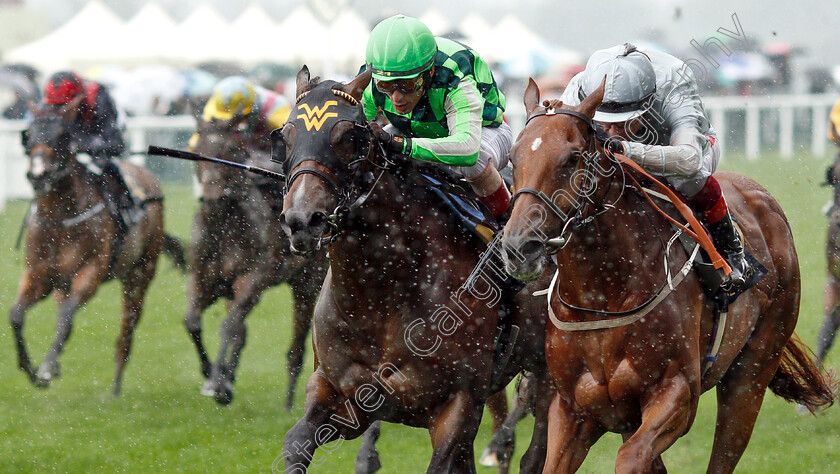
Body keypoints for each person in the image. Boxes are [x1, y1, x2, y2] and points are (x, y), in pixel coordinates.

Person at [560, 43, 748, 291]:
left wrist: (627, 150)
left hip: (681, 148)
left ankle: (730, 248)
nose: (615, 131)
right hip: (611, 155)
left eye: (625, 123)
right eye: (607, 123)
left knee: (687, 178)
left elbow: (690, 159)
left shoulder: (674, 81)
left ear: (647, 104)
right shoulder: (578, 89)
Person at [362, 14, 512, 219]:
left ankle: (504, 221)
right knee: (371, 147)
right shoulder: (372, 82)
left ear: (430, 71)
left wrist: (403, 144)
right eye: (386, 86)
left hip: (486, 133)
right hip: (416, 130)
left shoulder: (455, 77)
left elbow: (468, 149)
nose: (396, 97)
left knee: (475, 162)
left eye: (406, 84)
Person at [42, 71, 135, 231]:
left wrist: (83, 146)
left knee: (102, 170)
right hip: (80, 143)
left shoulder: (99, 98)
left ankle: (124, 216)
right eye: (54, 106)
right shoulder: (50, 104)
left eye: (63, 105)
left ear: (79, 99)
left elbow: (115, 144)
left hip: (103, 137)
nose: (58, 111)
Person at [191, 75, 291, 154]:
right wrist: (196, 144)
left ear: (247, 109)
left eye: (231, 118)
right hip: (239, 152)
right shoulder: (217, 105)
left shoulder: (275, 109)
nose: (225, 122)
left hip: (269, 152)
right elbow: (203, 133)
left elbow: (295, 140)